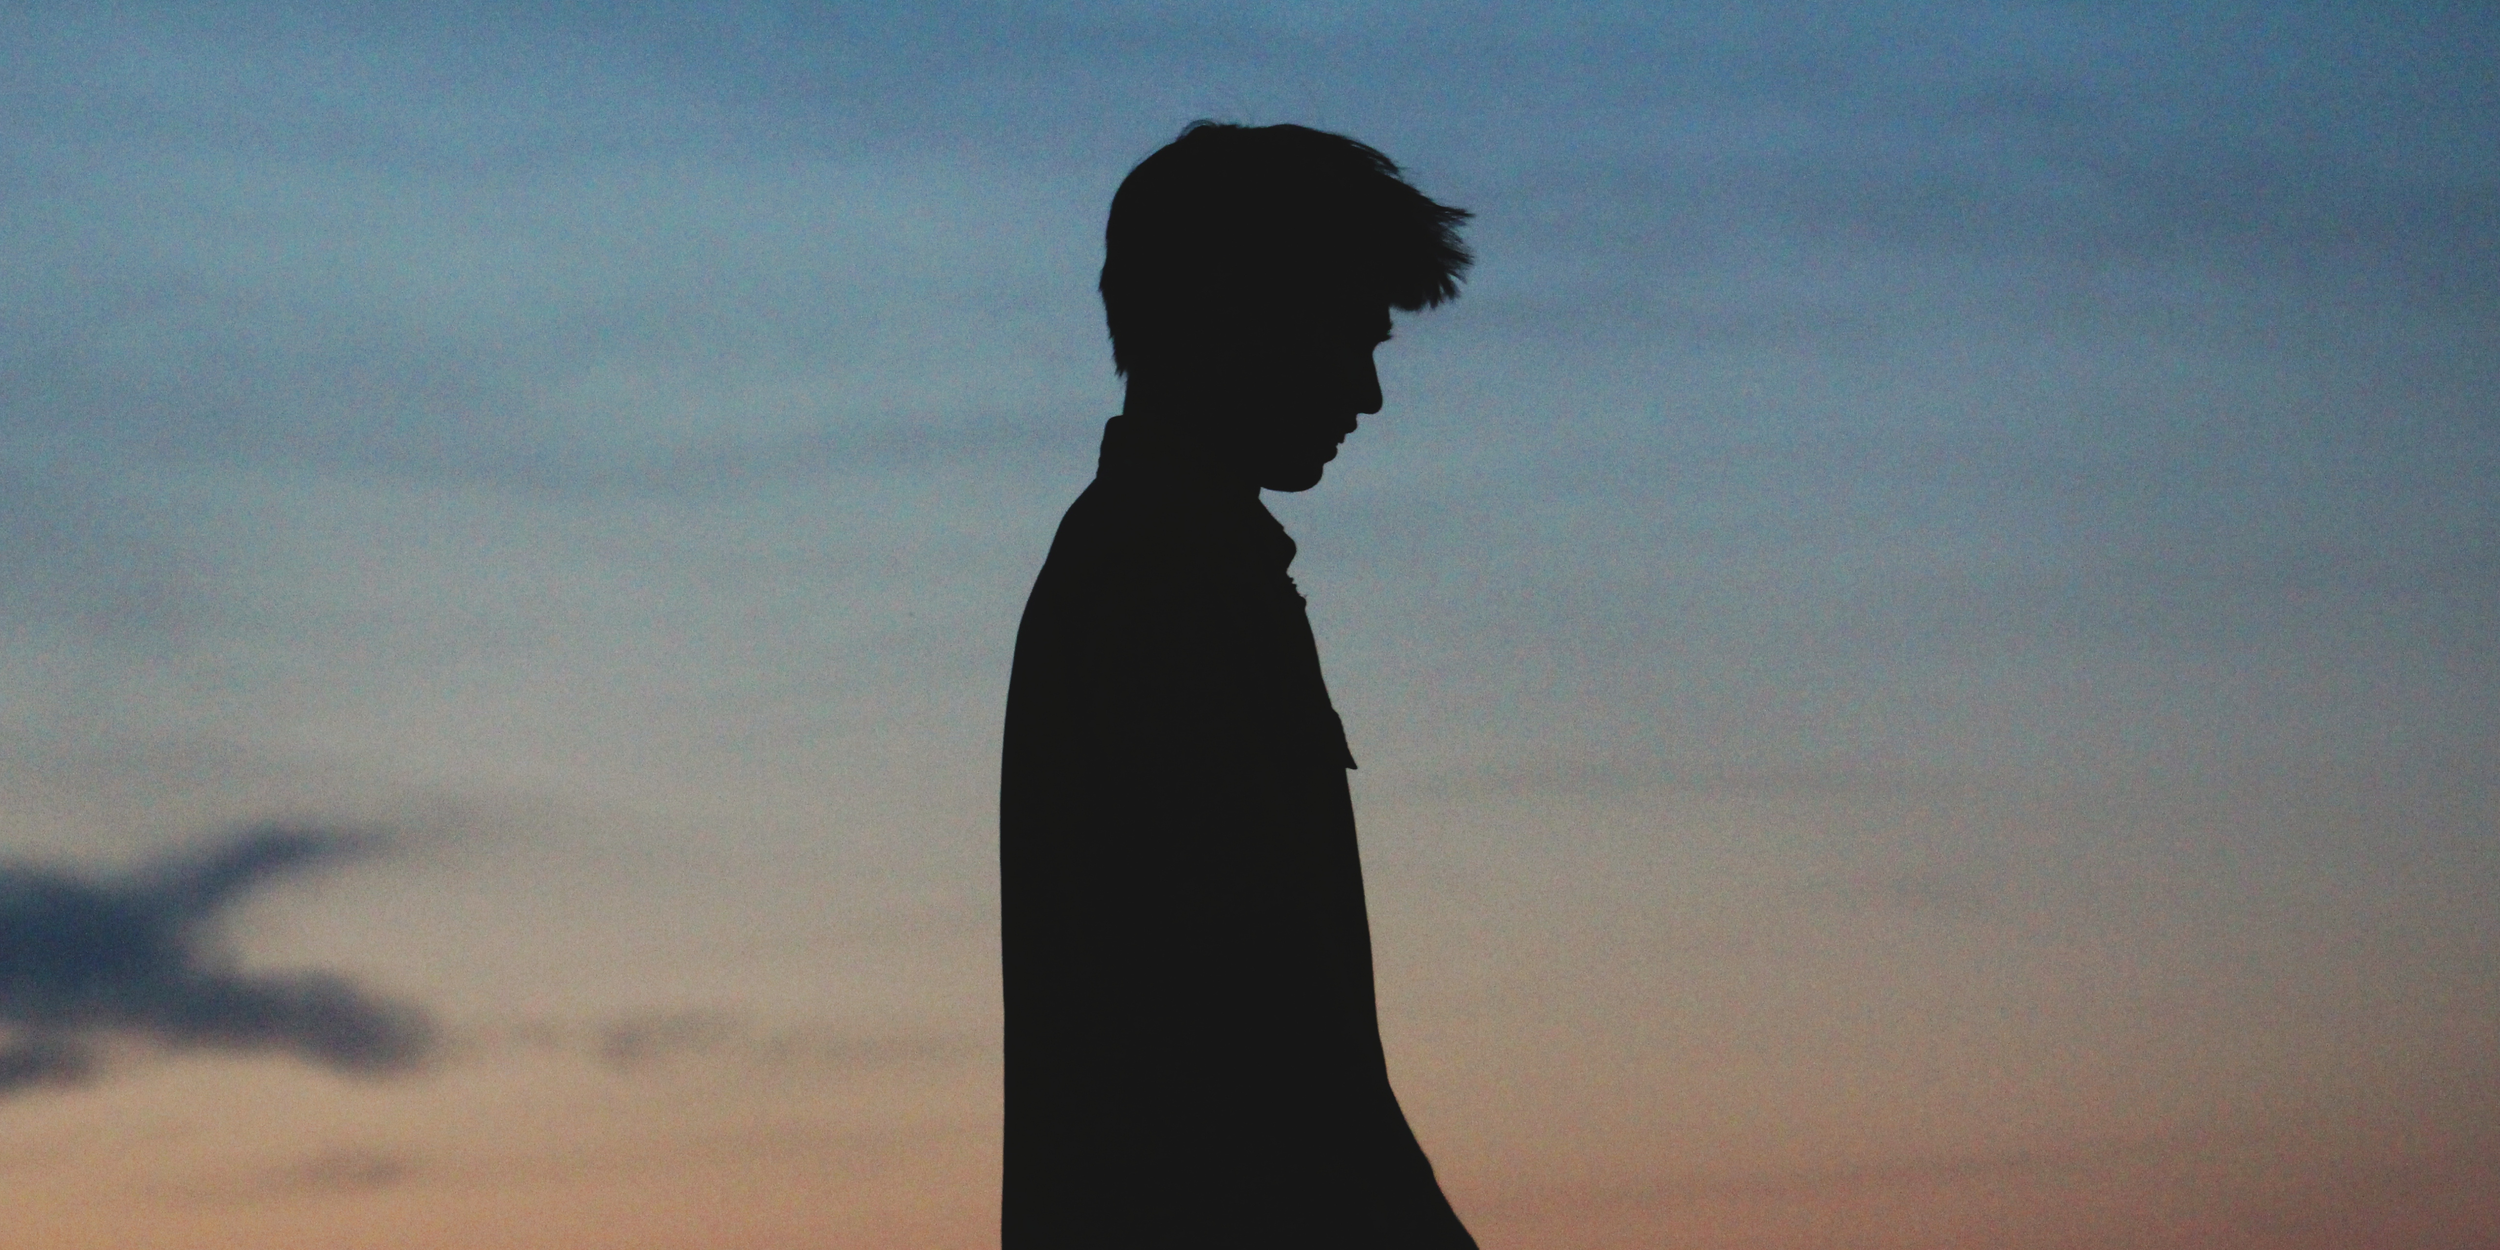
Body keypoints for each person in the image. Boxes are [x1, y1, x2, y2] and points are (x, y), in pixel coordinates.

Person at [999, 122, 1477, 1248]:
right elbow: (1274, 1038)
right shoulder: (1171, 582)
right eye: (1349, 335)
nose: (1366, 393)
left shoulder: (1166, 565)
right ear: (1239, 311)